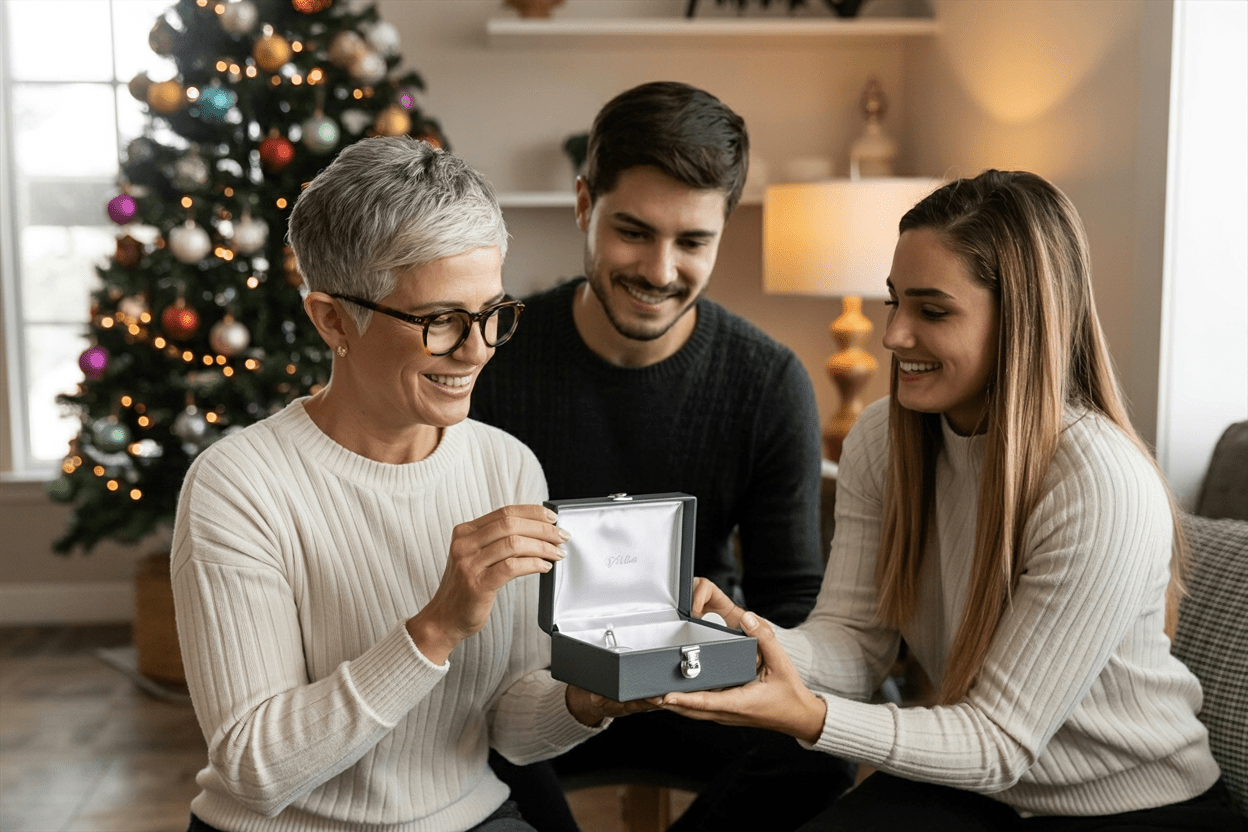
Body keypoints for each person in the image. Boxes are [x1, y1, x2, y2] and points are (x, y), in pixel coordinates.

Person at [658, 169, 1246, 830]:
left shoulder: (1099, 482)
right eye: (894, 303)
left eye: (932, 311)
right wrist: (745, 638)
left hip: (1137, 805)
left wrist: (812, 717)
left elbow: (998, 740)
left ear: (1022, 320)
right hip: (986, 792)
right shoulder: (884, 439)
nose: (893, 336)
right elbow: (853, 645)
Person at [172, 137, 646, 832]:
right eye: (440, 321)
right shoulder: (238, 486)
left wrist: (592, 700)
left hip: (474, 816)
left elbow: (511, 729)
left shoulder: (506, 466)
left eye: (491, 313)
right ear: (333, 319)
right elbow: (253, 767)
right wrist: (434, 630)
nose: (478, 348)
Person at [471, 81, 854, 831]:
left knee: (819, 757)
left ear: (723, 232)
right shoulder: (495, 359)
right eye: (633, 231)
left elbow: (792, 599)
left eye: (692, 241)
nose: (659, 269)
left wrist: (736, 646)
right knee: (449, 744)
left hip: (698, 686)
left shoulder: (769, 381)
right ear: (585, 206)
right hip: (529, 690)